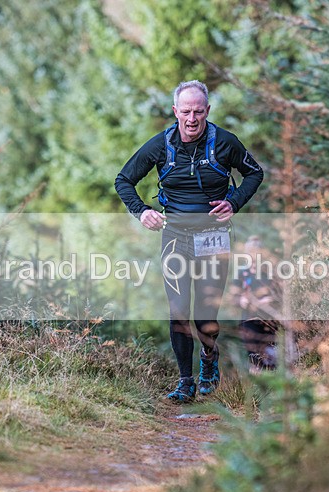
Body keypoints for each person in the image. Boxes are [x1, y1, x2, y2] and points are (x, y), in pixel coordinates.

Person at [115, 80, 264, 402]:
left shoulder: (225, 143)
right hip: (175, 237)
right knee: (178, 310)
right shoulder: (160, 145)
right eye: (186, 112)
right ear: (175, 112)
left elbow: (255, 173)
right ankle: (185, 381)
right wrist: (141, 212)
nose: (192, 118)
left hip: (214, 235)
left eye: (198, 111)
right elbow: (124, 180)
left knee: (205, 312)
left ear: (207, 111)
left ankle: (209, 362)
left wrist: (234, 202)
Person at [237, 235, 280, 372]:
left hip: (267, 317)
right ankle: (258, 381)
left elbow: (278, 292)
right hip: (249, 318)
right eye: (250, 251)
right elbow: (235, 295)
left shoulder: (270, 270)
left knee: (270, 351)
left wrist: (268, 300)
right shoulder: (242, 272)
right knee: (253, 354)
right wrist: (241, 300)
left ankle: (273, 379)